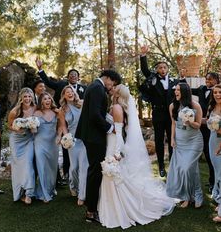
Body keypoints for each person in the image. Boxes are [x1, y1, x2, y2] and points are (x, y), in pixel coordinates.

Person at [98, 84, 175, 229]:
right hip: (112, 141)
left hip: (114, 144)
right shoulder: (120, 107)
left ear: (118, 93)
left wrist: (117, 152)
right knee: (116, 177)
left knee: (113, 175)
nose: (112, 89)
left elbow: (119, 133)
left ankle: (119, 210)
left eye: (115, 88)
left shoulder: (116, 108)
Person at [76, 70, 121, 223]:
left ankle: (92, 207)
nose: (111, 86)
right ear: (107, 78)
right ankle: (90, 211)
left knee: (94, 171)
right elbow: (95, 114)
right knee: (95, 172)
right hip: (94, 137)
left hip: (92, 136)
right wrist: (110, 128)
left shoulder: (95, 86)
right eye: (112, 83)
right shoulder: (97, 88)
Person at [35, 57, 87, 186]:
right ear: (68, 78)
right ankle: (68, 174)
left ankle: (82, 180)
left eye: (75, 75)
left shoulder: (84, 89)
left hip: (82, 126)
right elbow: (47, 82)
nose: (73, 76)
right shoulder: (60, 85)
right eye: (71, 75)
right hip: (66, 122)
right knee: (67, 151)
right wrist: (40, 69)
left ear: (78, 77)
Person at [139, 45, 184, 177]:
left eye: (164, 67)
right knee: (159, 141)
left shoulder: (174, 81)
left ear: (167, 69)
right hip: (158, 115)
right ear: (157, 70)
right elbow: (144, 70)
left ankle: (172, 164)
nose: (162, 69)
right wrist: (143, 55)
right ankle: (160, 166)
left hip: (171, 116)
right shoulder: (152, 78)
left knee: (172, 140)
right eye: (160, 67)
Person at [166, 83, 203, 208]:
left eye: (178, 90)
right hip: (180, 142)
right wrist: (172, 139)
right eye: (175, 90)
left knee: (187, 168)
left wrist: (189, 122)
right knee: (187, 170)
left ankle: (197, 194)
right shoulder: (172, 106)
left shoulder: (195, 105)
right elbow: (173, 124)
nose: (176, 92)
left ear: (185, 92)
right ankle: (187, 197)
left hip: (194, 141)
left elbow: (198, 124)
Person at [59, 86, 88, 206]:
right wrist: (67, 138)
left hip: (84, 138)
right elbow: (63, 126)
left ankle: (82, 195)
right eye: (67, 92)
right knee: (74, 167)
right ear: (64, 95)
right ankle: (73, 186)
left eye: (71, 91)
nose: (70, 93)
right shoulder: (63, 109)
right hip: (73, 140)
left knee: (84, 167)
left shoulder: (81, 103)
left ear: (74, 93)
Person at [192, 72, 219, 194]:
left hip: (215, 131)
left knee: (213, 157)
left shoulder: (217, 95)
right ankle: (212, 180)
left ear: (217, 81)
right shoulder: (202, 89)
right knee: (208, 156)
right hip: (203, 127)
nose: (208, 81)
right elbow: (189, 91)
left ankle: (215, 182)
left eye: (211, 79)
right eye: (206, 79)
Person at [8, 87, 36, 205]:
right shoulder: (15, 111)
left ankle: (28, 193)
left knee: (28, 163)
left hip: (29, 140)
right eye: (25, 96)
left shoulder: (35, 108)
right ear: (21, 98)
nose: (27, 98)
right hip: (17, 141)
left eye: (29, 96)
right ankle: (19, 192)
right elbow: (9, 125)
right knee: (18, 166)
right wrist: (17, 129)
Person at [33, 92, 63, 203]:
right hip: (40, 143)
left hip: (53, 143)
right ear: (41, 101)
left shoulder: (56, 112)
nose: (48, 101)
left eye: (49, 99)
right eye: (45, 99)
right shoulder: (36, 113)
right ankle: (44, 193)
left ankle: (50, 188)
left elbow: (61, 125)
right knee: (42, 167)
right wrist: (32, 128)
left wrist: (59, 136)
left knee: (52, 168)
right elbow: (33, 129)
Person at [206, 84, 221, 222]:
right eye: (215, 92)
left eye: (219, 92)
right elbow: (209, 124)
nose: (217, 95)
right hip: (212, 142)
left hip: (220, 144)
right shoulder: (212, 107)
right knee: (217, 173)